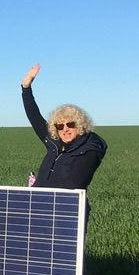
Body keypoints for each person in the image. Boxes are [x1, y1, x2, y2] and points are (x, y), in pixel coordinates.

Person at [21, 64, 107, 196]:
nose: (65, 129)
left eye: (70, 124)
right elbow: (35, 118)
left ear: (80, 125)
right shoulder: (55, 144)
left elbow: (74, 183)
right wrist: (26, 88)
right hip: (40, 203)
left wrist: (42, 189)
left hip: (66, 206)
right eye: (60, 126)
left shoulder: (89, 150)